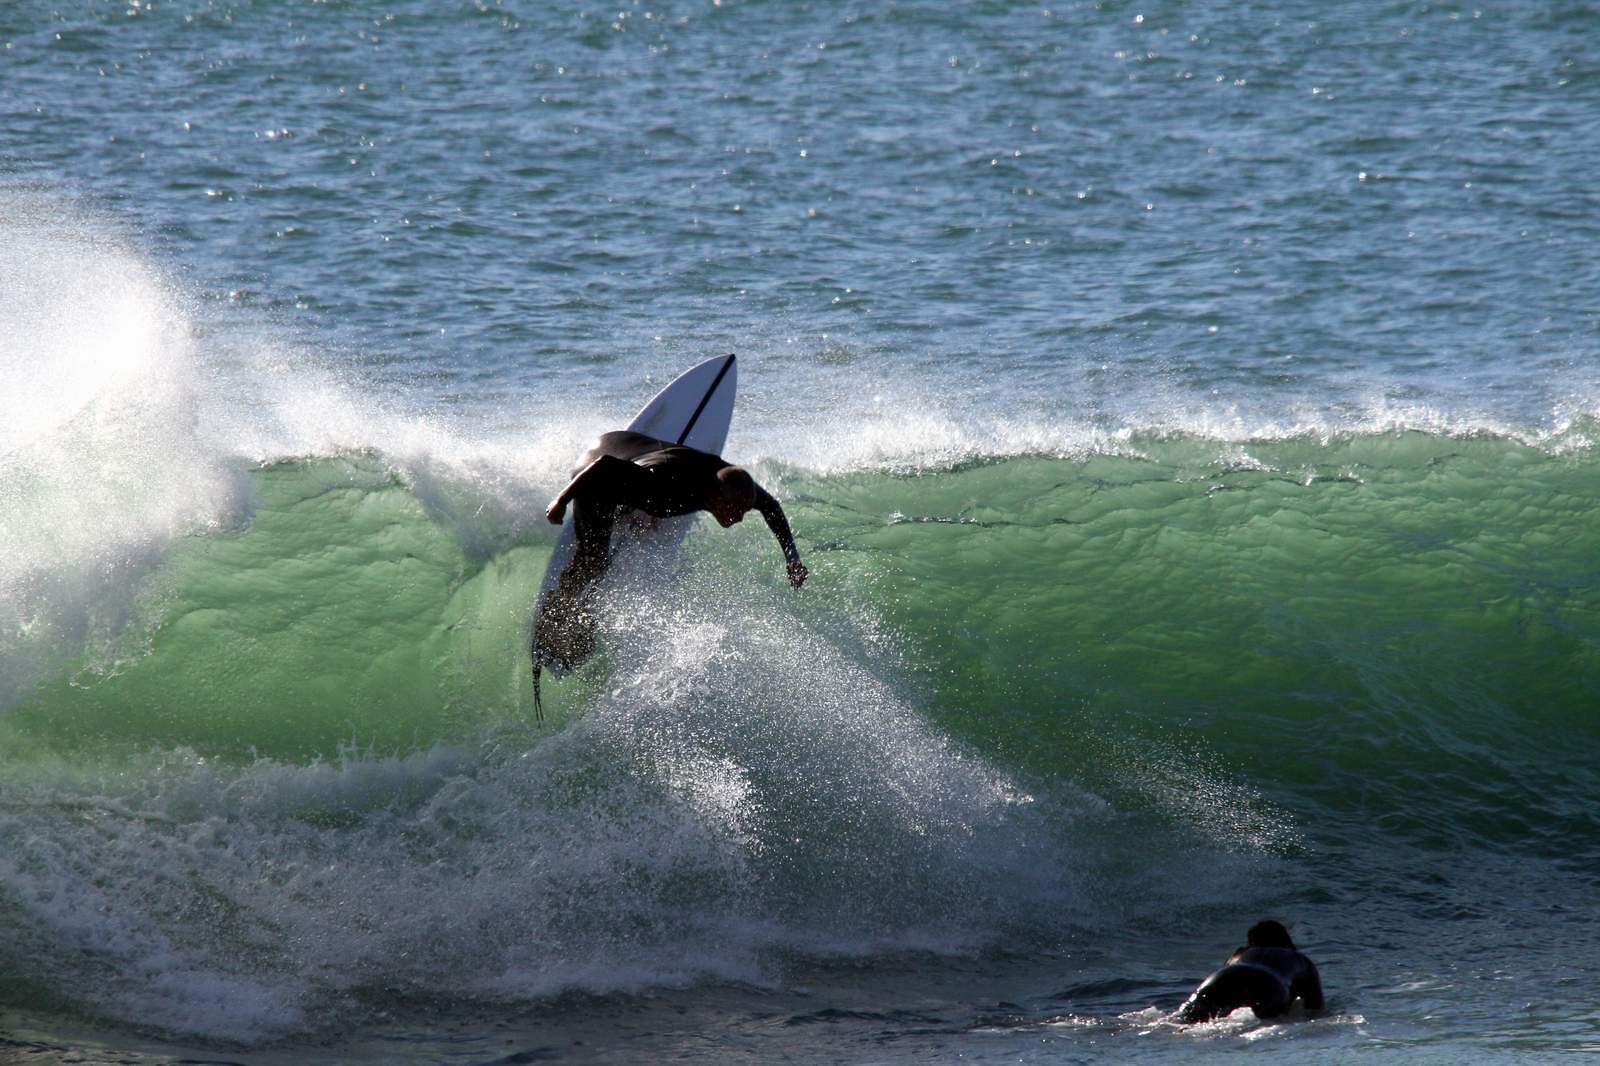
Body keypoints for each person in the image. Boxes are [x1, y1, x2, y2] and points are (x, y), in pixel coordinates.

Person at [530, 431, 807, 716]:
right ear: (715, 494)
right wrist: (561, 502)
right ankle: (556, 613)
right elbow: (605, 467)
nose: (738, 518)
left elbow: (771, 506)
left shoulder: (733, 484)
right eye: (735, 510)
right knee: (595, 561)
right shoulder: (667, 483)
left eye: (742, 512)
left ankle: (633, 510)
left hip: (634, 458)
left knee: (646, 500)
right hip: (596, 476)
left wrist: (792, 559)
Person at [1173, 920, 1324, 1024]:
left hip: (1224, 976)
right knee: (1262, 1025)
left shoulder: (1239, 953)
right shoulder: (1300, 960)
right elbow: (1315, 1008)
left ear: (1251, 941)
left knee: (1186, 1020)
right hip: (1270, 983)